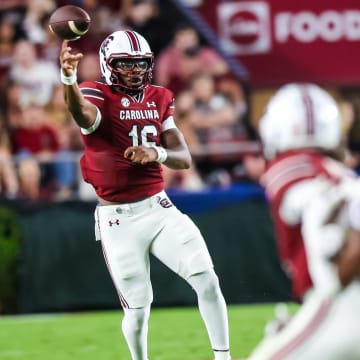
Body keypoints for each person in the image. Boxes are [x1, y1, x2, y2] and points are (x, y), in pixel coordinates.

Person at [58, 30, 231, 360]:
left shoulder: (158, 97)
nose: (135, 71)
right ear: (110, 66)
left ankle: (223, 357)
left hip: (159, 208)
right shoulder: (96, 93)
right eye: (126, 64)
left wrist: (158, 154)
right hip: (117, 219)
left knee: (207, 279)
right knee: (137, 310)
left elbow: (183, 156)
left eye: (140, 64)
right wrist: (68, 77)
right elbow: (81, 113)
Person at [247, 83, 360, 359]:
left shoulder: (289, 168)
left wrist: (333, 282)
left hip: (345, 299)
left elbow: (332, 213)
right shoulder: (338, 172)